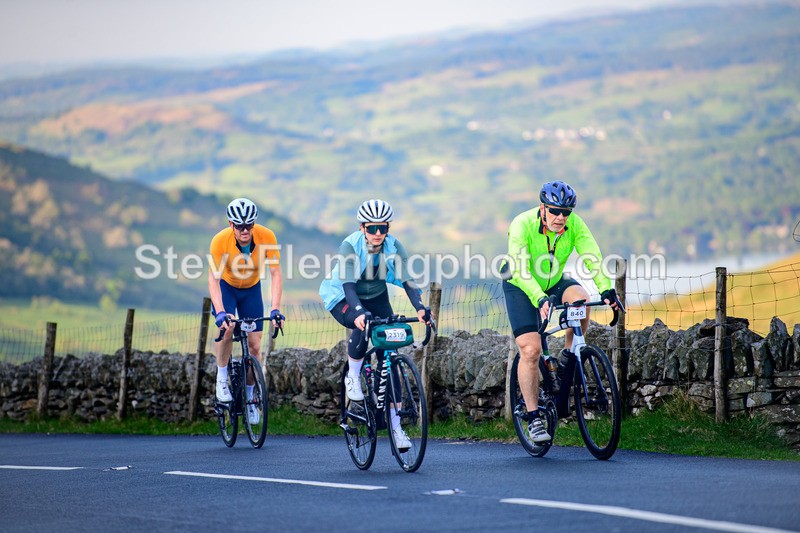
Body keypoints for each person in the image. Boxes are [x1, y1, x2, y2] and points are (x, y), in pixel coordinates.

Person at [502, 180, 619, 443]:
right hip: (520, 285)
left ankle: (568, 356)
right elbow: (521, 269)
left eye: (566, 212)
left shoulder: (574, 224)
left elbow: (592, 256)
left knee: (581, 300)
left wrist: (607, 290)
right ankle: (533, 418)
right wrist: (539, 298)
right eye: (555, 211)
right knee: (530, 350)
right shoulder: (522, 224)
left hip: (553, 279)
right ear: (542, 208)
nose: (561, 217)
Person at [319, 199, 431, 451]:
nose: (378, 233)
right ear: (362, 228)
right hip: (343, 297)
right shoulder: (349, 246)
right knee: (363, 324)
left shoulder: (393, 246)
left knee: (390, 357)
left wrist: (421, 308)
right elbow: (348, 285)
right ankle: (354, 377)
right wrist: (358, 312)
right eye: (372, 228)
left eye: (383, 228)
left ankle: (396, 427)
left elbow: (408, 280)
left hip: (377, 296)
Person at [208, 198, 284, 424]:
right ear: (231, 224)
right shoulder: (220, 241)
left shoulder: (266, 237)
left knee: (255, 346)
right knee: (228, 327)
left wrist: (276, 308)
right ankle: (222, 378)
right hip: (227, 288)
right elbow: (213, 279)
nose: (245, 230)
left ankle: (251, 398)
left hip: (251, 289)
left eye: (249, 225)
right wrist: (221, 312)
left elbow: (276, 274)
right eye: (239, 226)